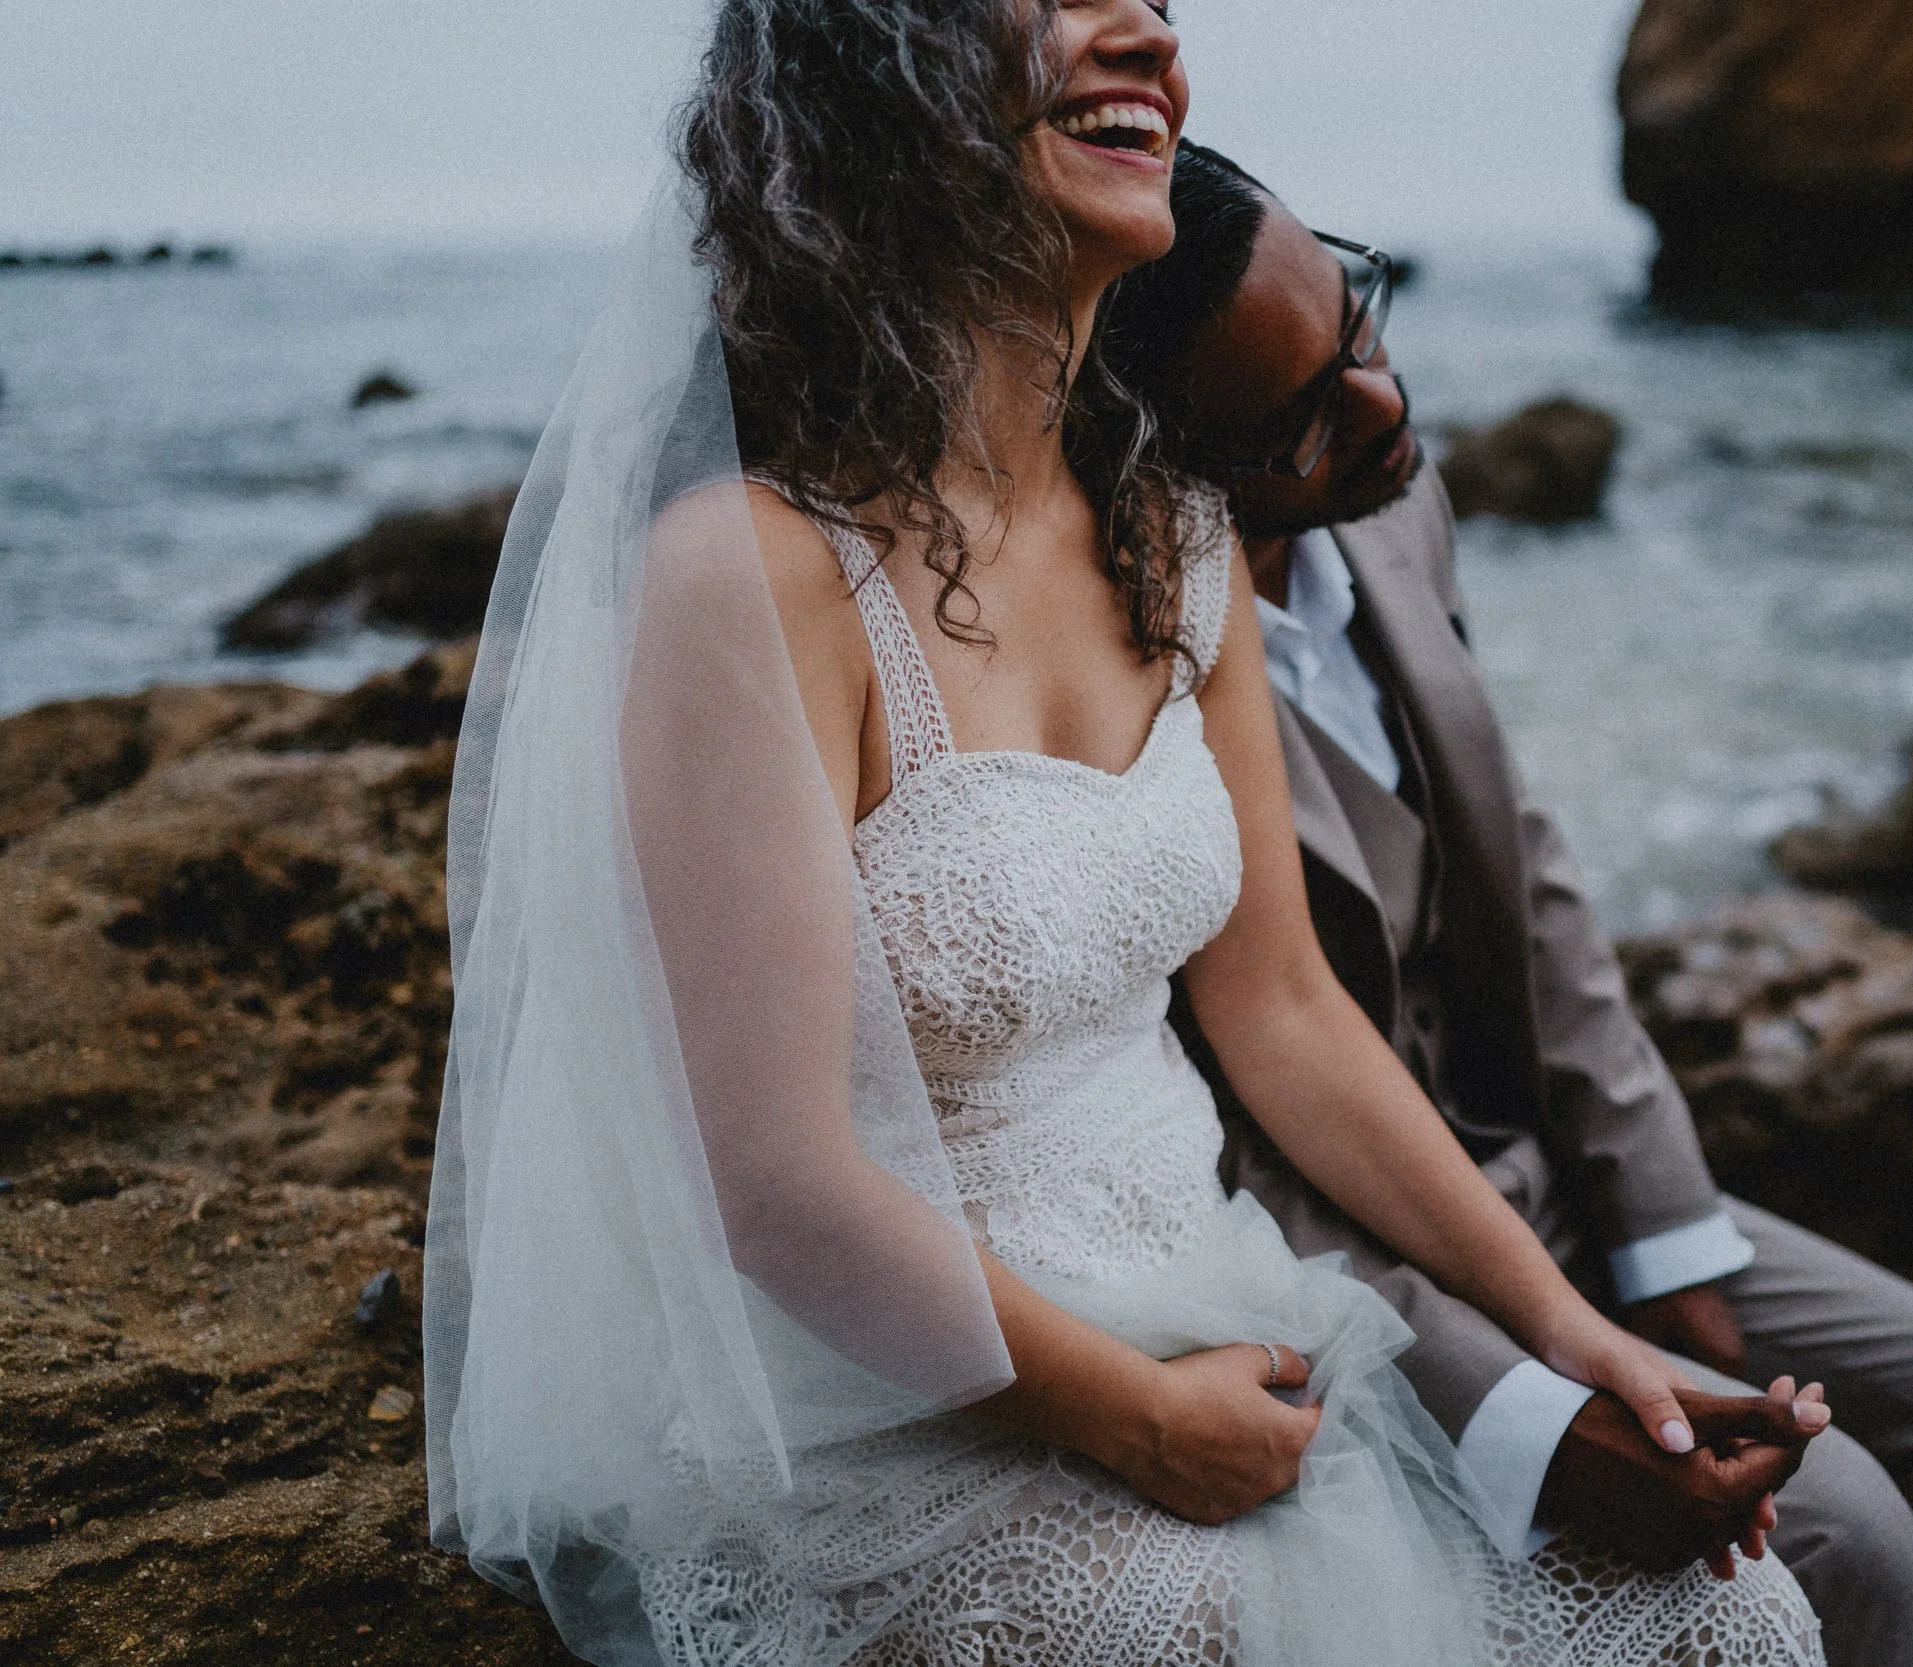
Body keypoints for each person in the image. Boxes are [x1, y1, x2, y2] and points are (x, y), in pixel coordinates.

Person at [425, 4, 1831, 1664]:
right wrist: (1133, 1420)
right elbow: (780, 1183)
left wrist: (1571, 1326)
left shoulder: (1174, 532)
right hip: (919, 1399)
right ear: (876, 90)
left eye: (1155, 2)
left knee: (1740, 1623)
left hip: (1229, 1310)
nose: (1146, 34)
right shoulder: (754, 569)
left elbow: (1289, 1016)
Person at [1100, 143, 1913, 1667]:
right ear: (1170, 465)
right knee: (1856, 1535)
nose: (1388, 407)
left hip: (1546, 1170)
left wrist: (1663, 1228)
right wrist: (1535, 1400)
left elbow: (1523, 870)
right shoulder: (1121, 671)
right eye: (1301, 420)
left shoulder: (1395, 512)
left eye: (1362, 322)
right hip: (1358, 1262)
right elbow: (1217, 1136)